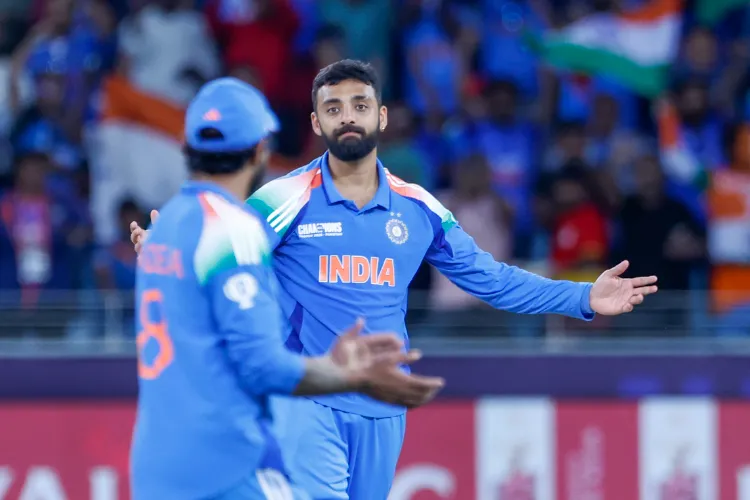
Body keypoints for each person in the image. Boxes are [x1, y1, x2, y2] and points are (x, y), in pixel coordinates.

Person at [130, 60, 659, 500]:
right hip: (308, 401)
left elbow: (491, 280)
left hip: (383, 402)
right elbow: (223, 253)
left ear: (381, 116)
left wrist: (583, 297)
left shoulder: (418, 207)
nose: (348, 118)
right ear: (317, 124)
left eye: (359, 105)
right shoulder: (282, 199)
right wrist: (171, 250)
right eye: (333, 109)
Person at [129, 76, 444, 500]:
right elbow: (263, 365)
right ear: (261, 150)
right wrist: (350, 376)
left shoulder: (165, 231)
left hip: (155, 463)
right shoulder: (233, 231)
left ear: (185, 149)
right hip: (223, 463)